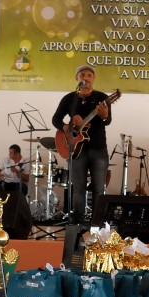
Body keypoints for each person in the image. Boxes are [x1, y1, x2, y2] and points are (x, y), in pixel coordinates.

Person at [52, 65, 111, 223]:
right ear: (76, 78)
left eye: (89, 75)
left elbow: (108, 121)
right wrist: (65, 127)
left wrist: (104, 115)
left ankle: (97, 224)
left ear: (93, 78)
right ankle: (77, 224)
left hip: (98, 149)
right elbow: (55, 119)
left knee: (99, 188)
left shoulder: (102, 97)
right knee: (78, 189)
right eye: (82, 75)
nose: (86, 77)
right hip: (76, 151)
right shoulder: (69, 99)